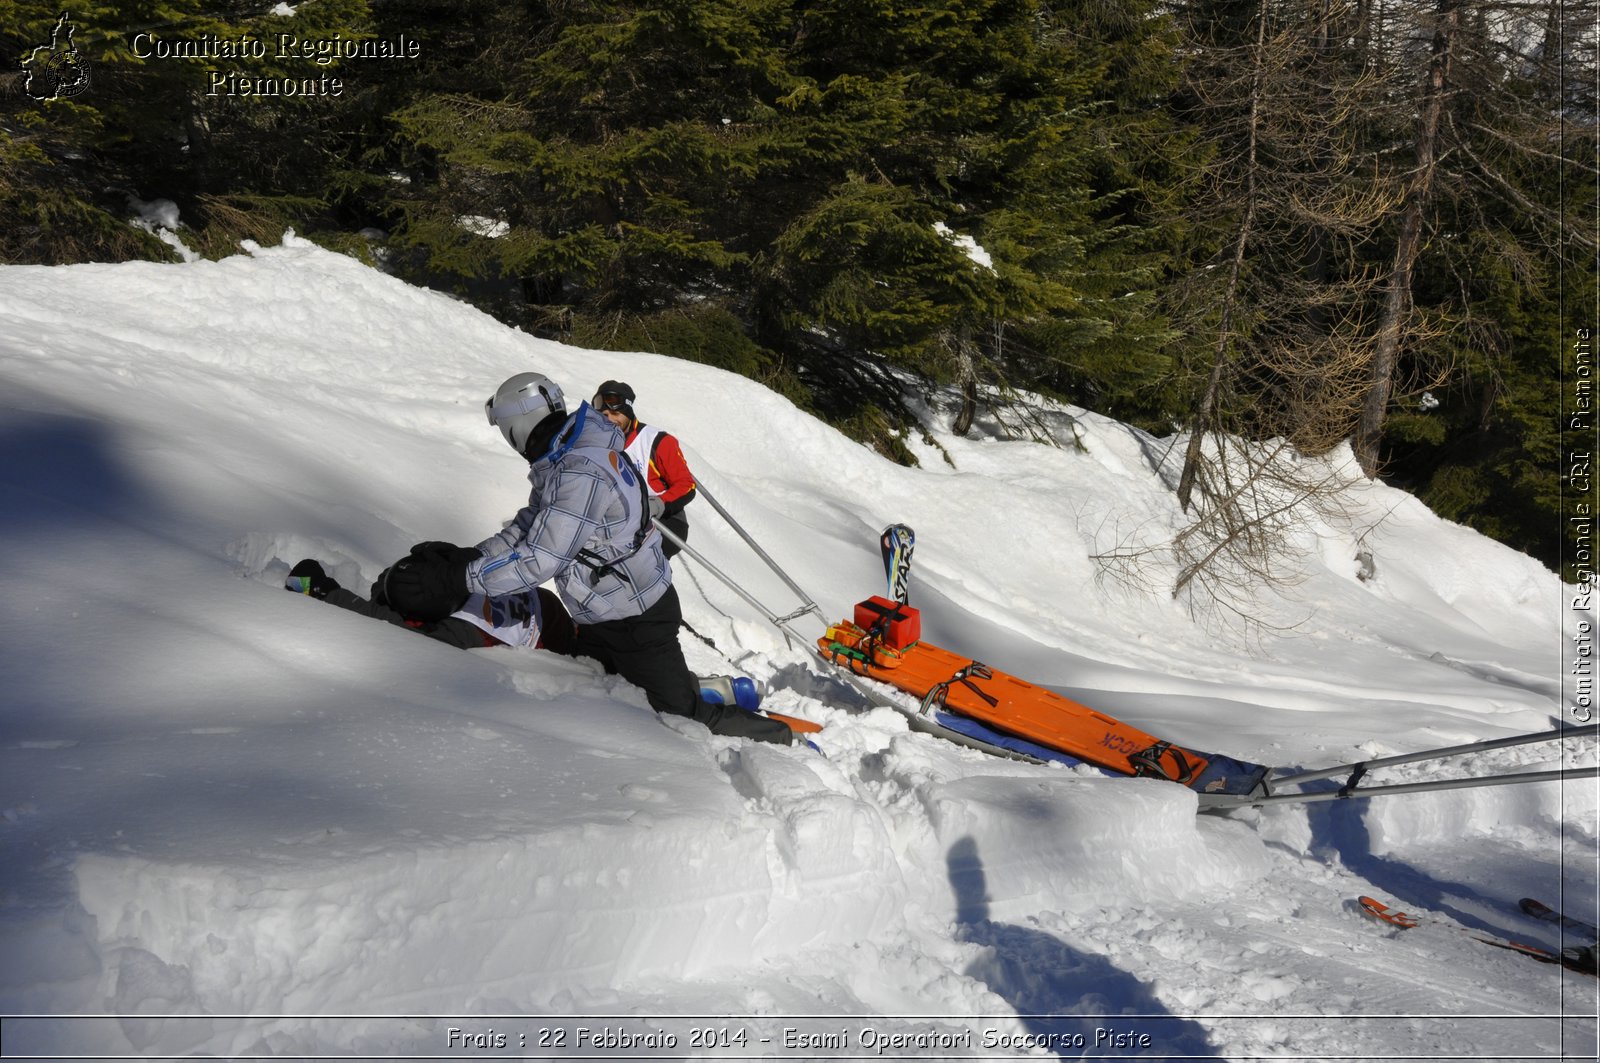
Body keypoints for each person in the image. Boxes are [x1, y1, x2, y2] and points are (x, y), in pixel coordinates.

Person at [378, 371, 793, 745]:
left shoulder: (579, 471)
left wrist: (461, 579)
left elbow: (541, 559)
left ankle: (779, 739)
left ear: (519, 425)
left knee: (680, 717)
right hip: (605, 613)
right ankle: (691, 685)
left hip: (638, 619)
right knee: (610, 689)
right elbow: (531, 525)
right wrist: (474, 556)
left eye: (507, 430)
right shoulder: (568, 455)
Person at [284, 557, 576, 652]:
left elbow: (385, 627)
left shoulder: (459, 632)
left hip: (553, 634)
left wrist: (323, 592)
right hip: (549, 609)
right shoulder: (459, 574)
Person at [591, 380, 696, 559]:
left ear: (628, 413)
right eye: (604, 414)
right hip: (618, 521)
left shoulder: (656, 441)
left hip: (664, 519)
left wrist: (657, 504)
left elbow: (687, 485)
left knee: (636, 562)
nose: (609, 420)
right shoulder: (596, 443)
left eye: (616, 413)